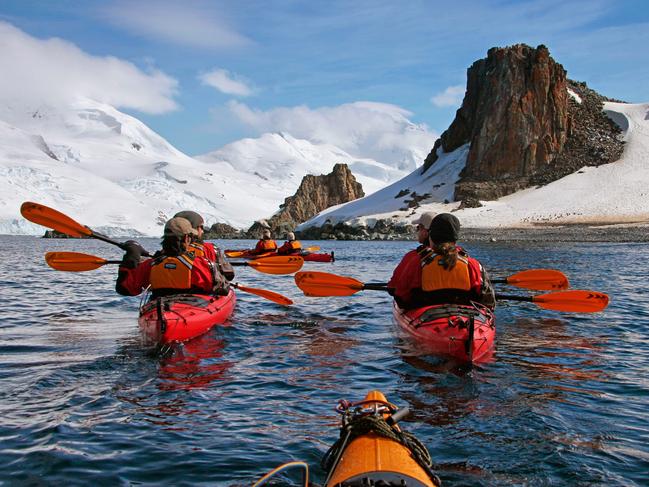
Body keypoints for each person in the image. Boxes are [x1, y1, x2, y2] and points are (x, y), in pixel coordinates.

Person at [387, 213, 495, 310]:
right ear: (455, 238)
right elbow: (488, 302)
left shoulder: (416, 261)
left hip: (424, 319)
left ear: (431, 236)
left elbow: (399, 295)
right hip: (465, 321)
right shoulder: (473, 264)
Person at [115, 217, 230, 298]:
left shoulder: (150, 265)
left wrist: (131, 257)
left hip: (159, 310)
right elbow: (223, 290)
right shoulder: (200, 264)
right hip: (191, 311)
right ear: (186, 238)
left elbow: (124, 289)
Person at [174, 210, 234, 281]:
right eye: (201, 227)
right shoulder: (211, 249)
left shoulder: (161, 256)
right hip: (203, 289)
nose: (202, 231)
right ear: (194, 229)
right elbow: (229, 275)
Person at [387, 212, 436, 295]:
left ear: (425, 232)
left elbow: (393, 286)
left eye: (418, 228)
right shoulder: (461, 255)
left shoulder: (413, 256)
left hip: (420, 304)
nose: (417, 231)